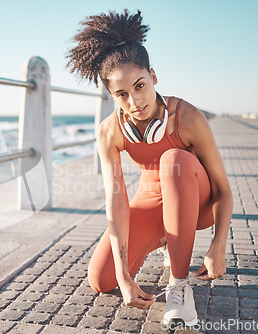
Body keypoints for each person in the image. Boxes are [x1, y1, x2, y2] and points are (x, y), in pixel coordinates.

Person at [65, 9, 233, 326]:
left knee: (174, 160)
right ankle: (167, 237)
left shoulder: (188, 117)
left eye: (140, 86)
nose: (134, 102)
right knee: (102, 279)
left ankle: (179, 287)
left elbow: (224, 191)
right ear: (112, 95)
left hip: (198, 202)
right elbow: (116, 202)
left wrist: (217, 246)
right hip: (152, 198)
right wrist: (123, 274)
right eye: (122, 94)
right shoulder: (109, 131)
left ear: (153, 77)